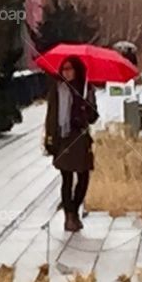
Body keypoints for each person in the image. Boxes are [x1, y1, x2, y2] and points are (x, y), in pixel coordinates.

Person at [43, 56, 99, 232]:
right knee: (66, 178)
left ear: (77, 70)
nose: (66, 72)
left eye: (70, 69)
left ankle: (74, 210)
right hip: (63, 138)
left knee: (84, 177)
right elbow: (51, 115)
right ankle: (69, 216)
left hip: (80, 137)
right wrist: (50, 139)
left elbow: (93, 117)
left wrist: (86, 107)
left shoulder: (85, 88)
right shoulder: (58, 89)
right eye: (64, 69)